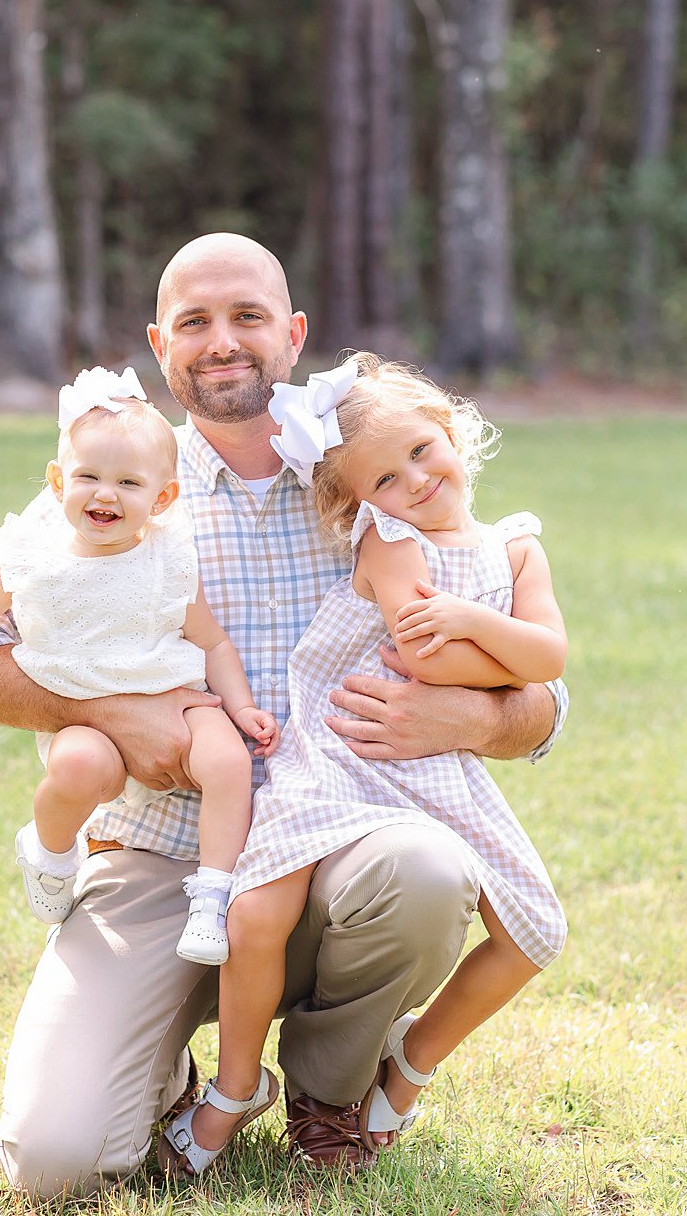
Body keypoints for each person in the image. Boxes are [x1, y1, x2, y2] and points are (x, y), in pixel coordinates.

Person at [0, 233, 569, 1195]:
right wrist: (106, 712)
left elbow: (541, 694)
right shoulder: (118, 477)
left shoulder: (366, 475)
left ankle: (330, 1091)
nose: (223, 341)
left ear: (292, 335)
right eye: (195, 322)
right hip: (162, 852)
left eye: (247, 316)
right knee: (56, 1164)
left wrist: (470, 720)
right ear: (159, 345)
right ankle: (166, 1063)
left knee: (424, 870)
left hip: (342, 839)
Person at [158, 353, 567, 1175]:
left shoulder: (515, 547)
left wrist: (470, 629)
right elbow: (425, 657)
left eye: (421, 450)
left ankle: (406, 1067)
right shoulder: (389, 540)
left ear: (449, 431)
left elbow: (551, 655)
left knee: (535, 932)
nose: (413, 480)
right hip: (338, 758)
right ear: (357, 503)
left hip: (430, 763)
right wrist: (497, 647)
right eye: (384, 476)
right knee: (255, 913)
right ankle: (236, 1087)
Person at [0, 367, 277, 964]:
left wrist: (239, 708)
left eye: (128, 482)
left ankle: (211, 896)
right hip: (82, 710)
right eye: (88, 476)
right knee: (79, 767)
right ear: (58, 482)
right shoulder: (33, 554)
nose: (105, 494)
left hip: (176, 696)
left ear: (161, 499)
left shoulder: (170, 559)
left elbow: (213, 643)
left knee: (226, 760)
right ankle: (52, 852)